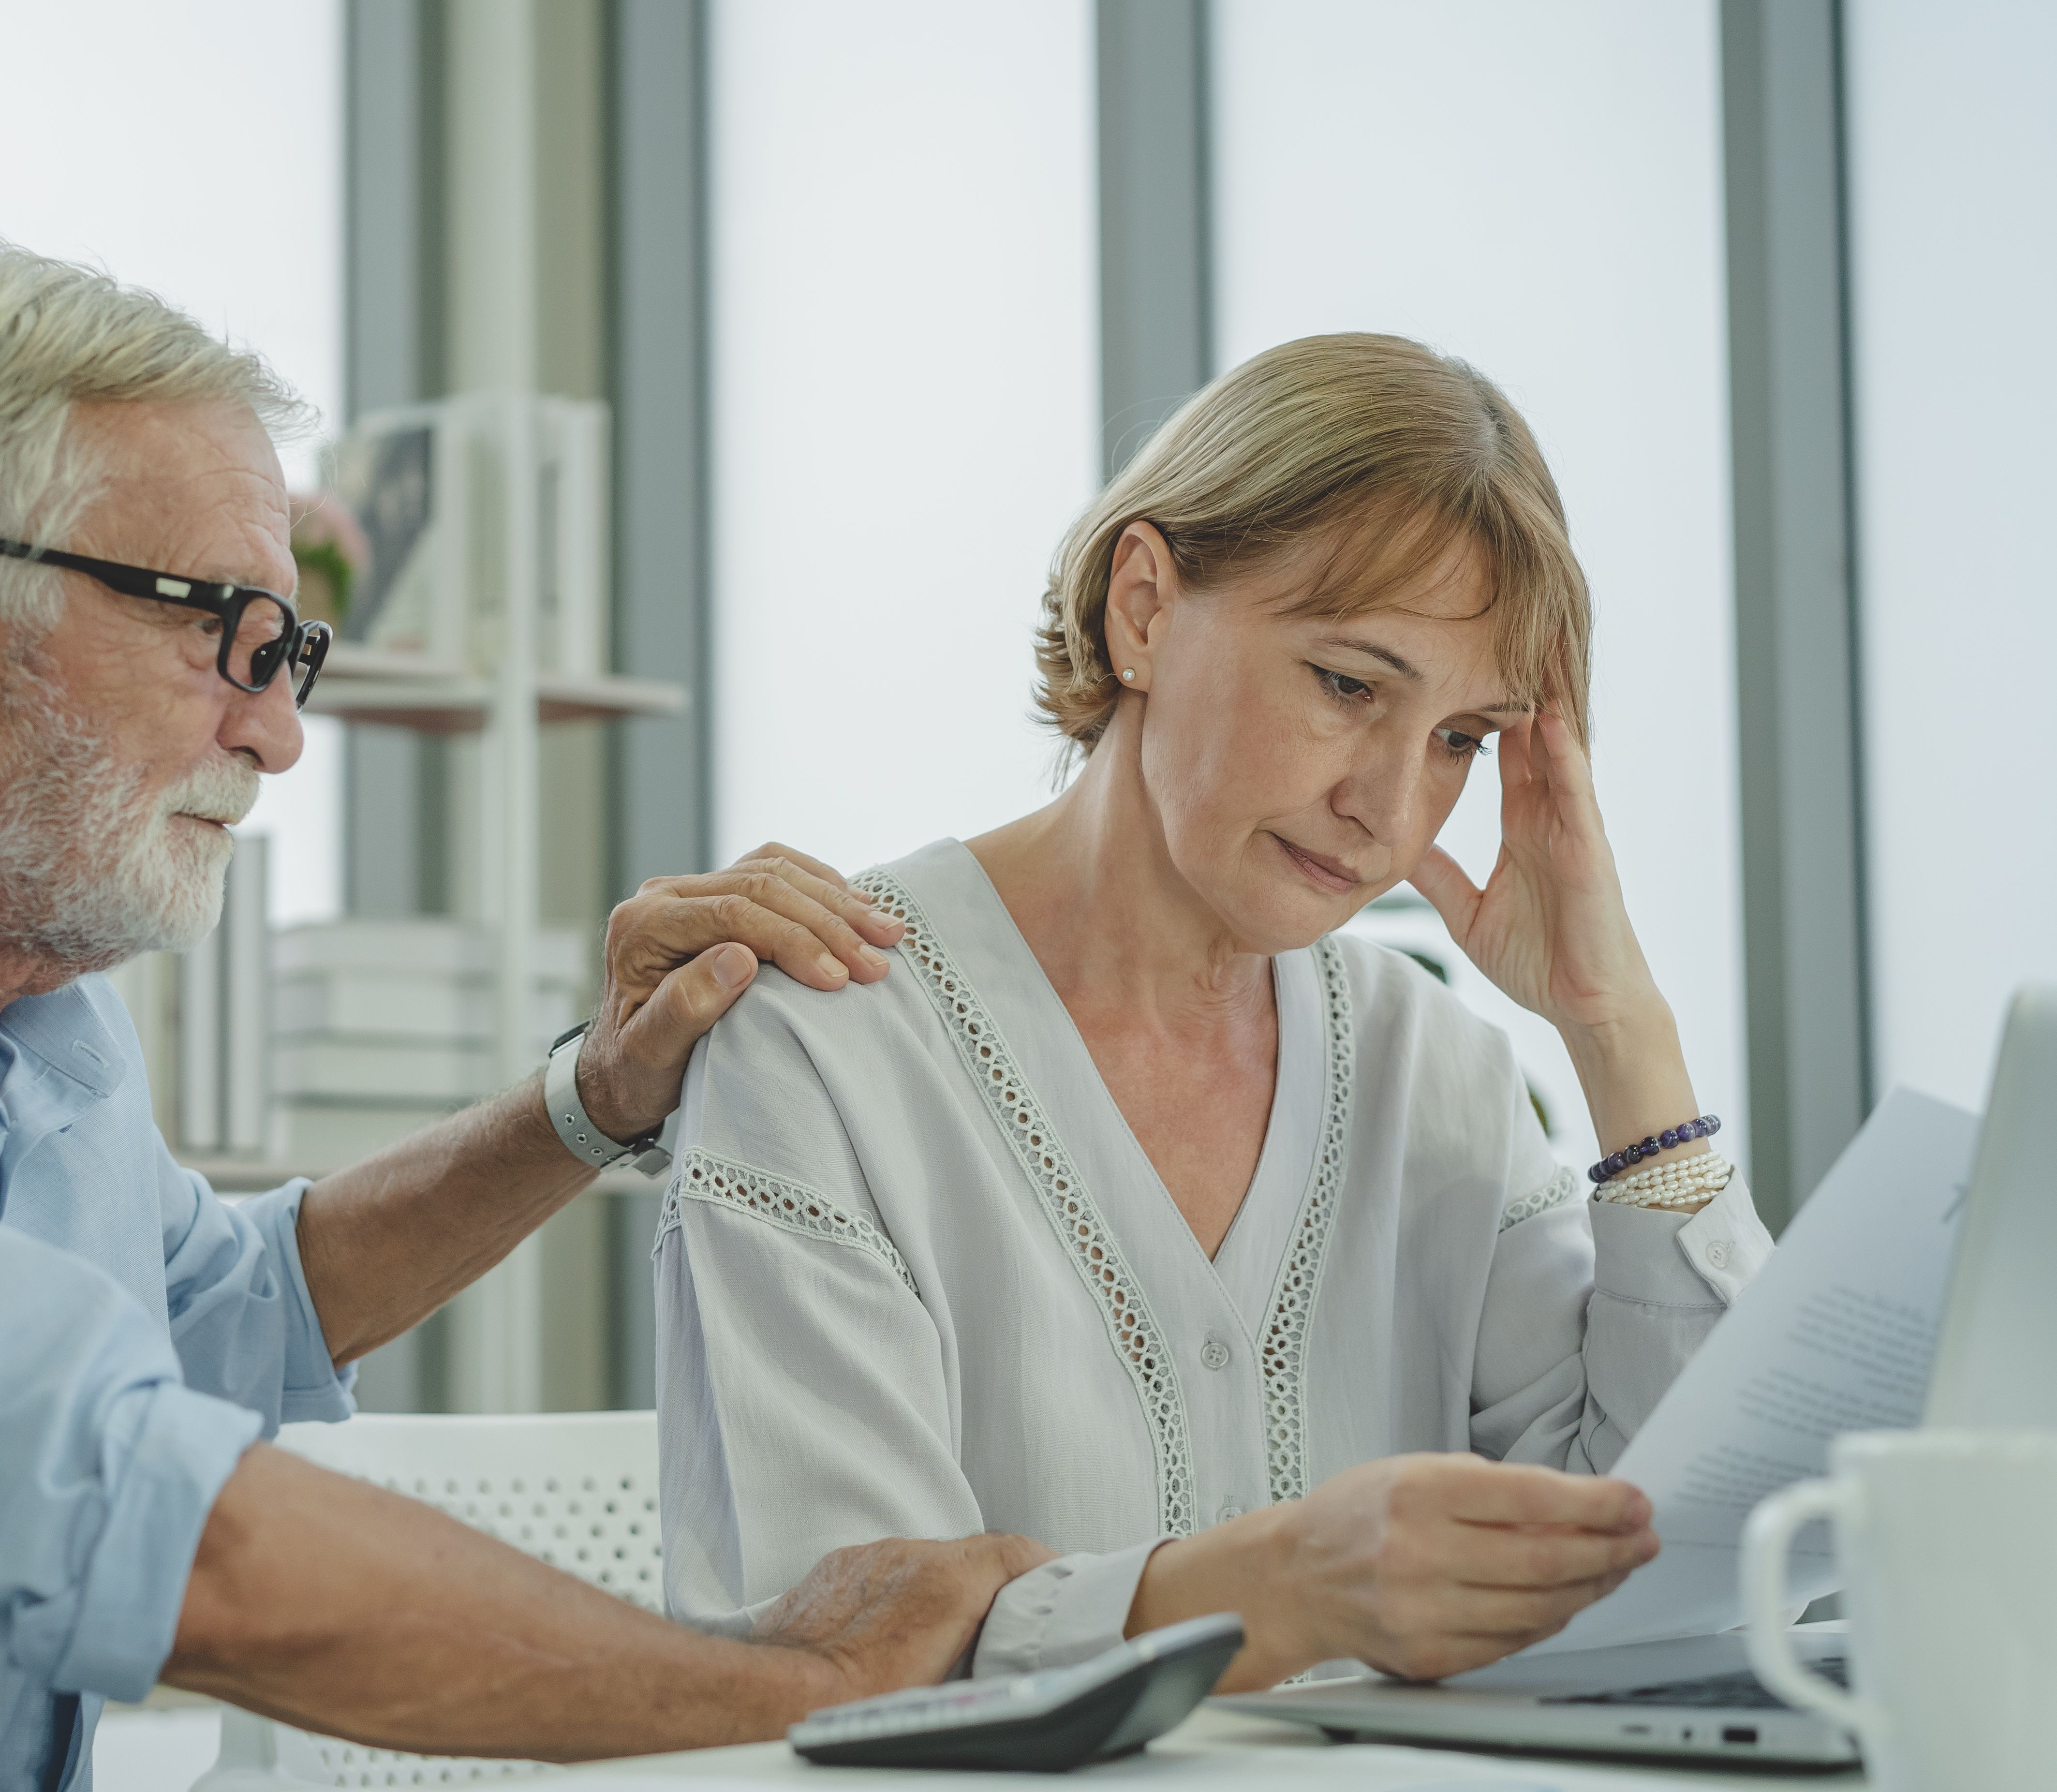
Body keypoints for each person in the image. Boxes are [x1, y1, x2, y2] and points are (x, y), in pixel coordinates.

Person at [0, 236, 1049, 1791]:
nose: (278, 734)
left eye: (290, 651)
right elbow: (140, 1521)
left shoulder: (39, 1030)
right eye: (222, 634)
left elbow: (232, 1305)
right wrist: (808, 1686)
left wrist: (590, 1102)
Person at [654, 334, 1778, 1692]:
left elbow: (1676, 1564)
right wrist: (1276, 1594)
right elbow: (834, 1660)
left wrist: (1617, 1026)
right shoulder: (820, 1047)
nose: (1392, 805)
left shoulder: (1439, 1075)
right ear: (1143, 610)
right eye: (1350, 686)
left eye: (1459, 740)